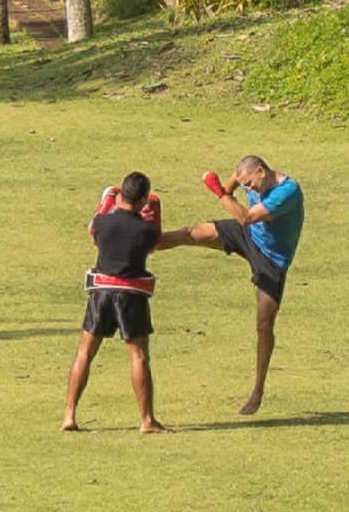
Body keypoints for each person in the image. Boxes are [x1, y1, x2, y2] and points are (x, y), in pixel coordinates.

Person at [156, 155, 304, 415]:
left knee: (264, 323)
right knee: (192, 233)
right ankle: (145, 244)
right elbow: (237, 181)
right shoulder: (247, 175)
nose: (248, 189)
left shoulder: (287, 192)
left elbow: (246, 217)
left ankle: (258, 390)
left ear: (262, 171)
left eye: (250, 184)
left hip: (271, 258)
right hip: (247, 234)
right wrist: (228, 189)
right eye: (245, 185)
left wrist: (219, 193)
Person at [61, 171, 169, 434]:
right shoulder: (145, 230)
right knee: (139, 357)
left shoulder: (101, 222)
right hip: (131, 296)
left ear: (121, 194)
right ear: (143, 199)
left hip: (101, 294)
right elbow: (154, 242)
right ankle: (146, 420)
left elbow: (93, 233)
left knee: (85, 353)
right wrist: (154, 212)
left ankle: (69, 415)